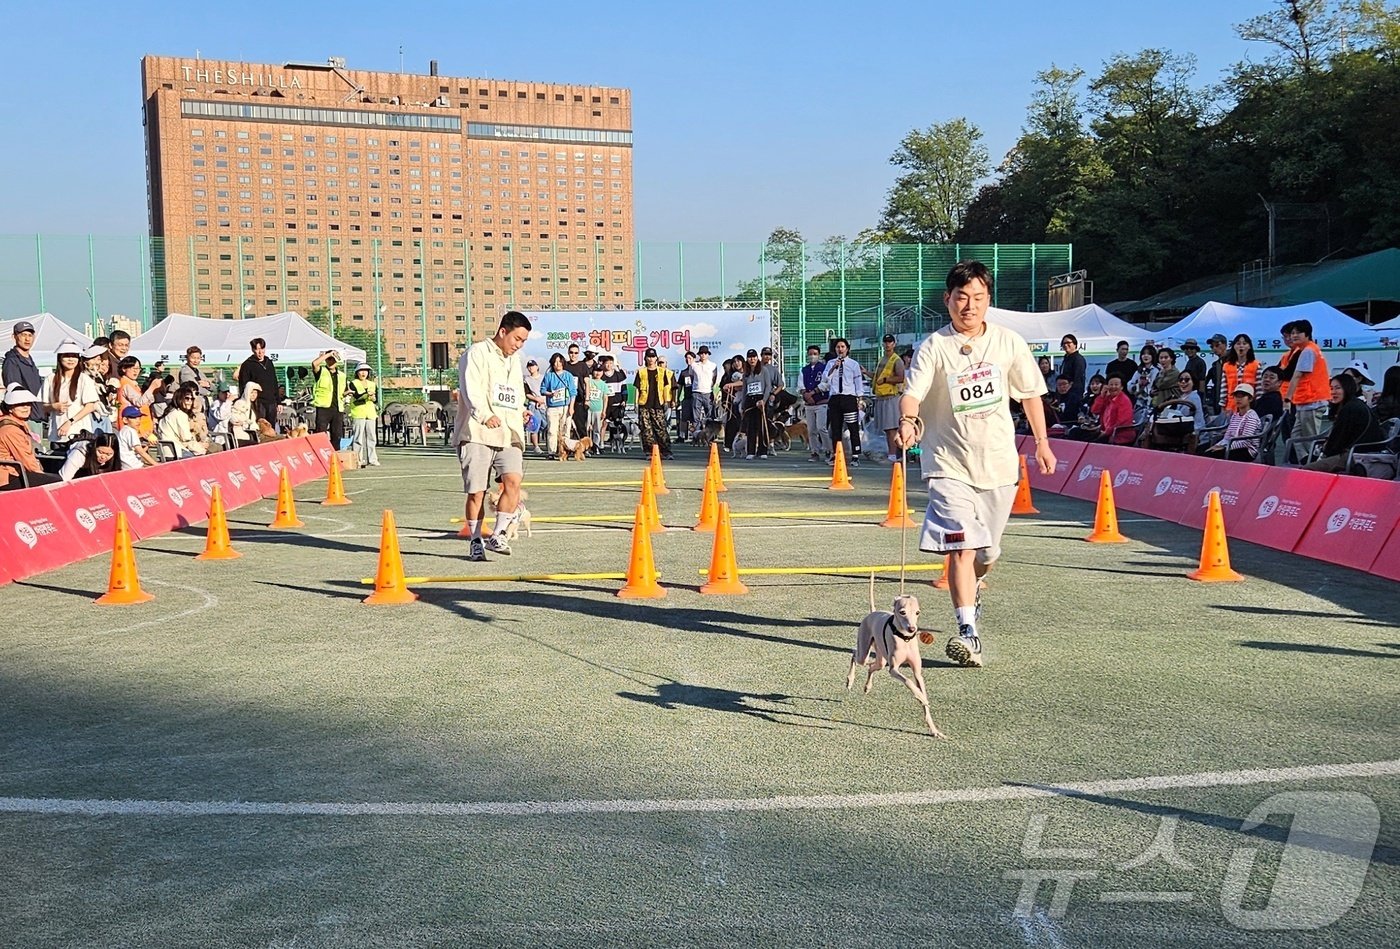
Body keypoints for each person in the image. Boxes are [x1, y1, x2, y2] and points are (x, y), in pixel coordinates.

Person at [897, 261, 1055, 669]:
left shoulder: (1008, 343)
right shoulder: (934, 346)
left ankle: (978, 585)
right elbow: (912, 394)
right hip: (948, 464)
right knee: (961, 548)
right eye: (961, 297)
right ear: (947, 299)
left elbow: (1031, 394)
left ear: (988, 300)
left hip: (998, 464)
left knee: (986, 552)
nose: (969, 306)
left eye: (978, 298)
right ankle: (968, 633)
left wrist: (1041, 443)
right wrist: (910, 422)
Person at [453, 310, 532, 561]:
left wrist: (522, 412)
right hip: (478, 431)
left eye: (523, 342)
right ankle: (476, 539)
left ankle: (498, 534)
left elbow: (516, 393)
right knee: (477, 491)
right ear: (503, 332)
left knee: (513, 481)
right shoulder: (477, 353)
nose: (518, 346)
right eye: (516, 339)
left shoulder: (514, 362)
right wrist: (484, 414)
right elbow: (470, 388)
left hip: (508, 432)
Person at [1304, 374, 1383, 473]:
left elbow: (1337, 441)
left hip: (1355, 456)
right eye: (1331, 388)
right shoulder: (1354, 404)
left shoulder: (1350, 409)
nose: (1333, 392)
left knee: (1306, 470)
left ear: (1347, 388)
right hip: (1359, 453)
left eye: (1337, 388)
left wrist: (1325, 451)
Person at [1276, 319, 1330, 450]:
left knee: (1310, 438)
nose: (1293, 336)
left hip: (1310, 400)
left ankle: (1314, 463)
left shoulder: (1308, 351)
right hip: (1305, 400)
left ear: (1307, 334)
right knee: (1296, 436)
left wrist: (1287, 399)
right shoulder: (1306, 350)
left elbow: (1296, 375)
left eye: (1298, 333)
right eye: (1292, 333)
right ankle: (1306, 460)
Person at [0, 385, 62, 489]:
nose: (25, 407)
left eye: (28, 404)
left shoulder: (19, 424)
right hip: (7, 477)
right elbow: (26, 460)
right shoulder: (11, 430)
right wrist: (41, 474)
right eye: (20, 404)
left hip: (14, 472)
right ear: (10, 408)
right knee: (57, 483)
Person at [47, 340, 101, 451]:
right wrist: (54, 406)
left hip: (79, 434)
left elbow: (90, 406)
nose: (71, 359)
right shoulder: (51, 378)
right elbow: (42, 405)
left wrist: (70, 421)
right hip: (57, 434)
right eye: (67, 356)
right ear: (60, 357)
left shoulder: (84, 379)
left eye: (74, 356)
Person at [821, 337, 865, 465]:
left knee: (852, 427)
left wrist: (860, 398)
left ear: (847, 349)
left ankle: (855, 455)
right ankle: (836, 455)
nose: (840, 349)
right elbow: (825, 378)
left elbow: (858, 382)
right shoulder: (830, 363)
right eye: (838, 347)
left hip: (849, 398)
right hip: (835, 398)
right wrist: (834, 367)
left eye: (842, 347)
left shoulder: (853, 364)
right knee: (835, 428)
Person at [632, 347, 675, 460]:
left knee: (661, 428)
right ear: (645, 358)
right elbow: (637, 388)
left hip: (658, 404)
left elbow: (666, 387)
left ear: (656, 358)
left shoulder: (662, 372)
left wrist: (667, 401)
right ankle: (649, 452)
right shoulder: (641, 372)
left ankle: (666, 452)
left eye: (653, 357)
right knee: (646, 430)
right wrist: (635, 403)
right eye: (649, 357)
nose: (651, 359)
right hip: (644, 404)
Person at [1203, 384, 1264, 462]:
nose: (1238, 399)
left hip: (1247, 451)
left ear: (1250, 399)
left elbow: (1245, 441)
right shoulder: (1235, 416)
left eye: (1242, 396)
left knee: (1210, 455)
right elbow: (1227, 437)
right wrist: (1217, 445)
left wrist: (1224, 447)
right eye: (1236, 396)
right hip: (1232, 446)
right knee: (1202, 449)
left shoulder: (1251, 416)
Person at [1068, 376, 1136, 444]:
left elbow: (1120, 423)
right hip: (1103, 431)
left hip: (1117, 434)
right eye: (1111, 384)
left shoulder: (1124, 401)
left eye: (1116, 384)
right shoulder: (1108, 398)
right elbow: (1094, 410)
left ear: (1121, 387)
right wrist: (1102, 396)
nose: (1113, 387)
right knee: (1074, 432)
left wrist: (1104, 433)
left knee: (1089, 442)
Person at [872, 333, 906, 463]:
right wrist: (866, 373)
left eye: (890, 342)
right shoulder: (882, 359)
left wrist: (887, 379)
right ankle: (893, 454)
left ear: (894, 344)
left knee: (891, 427)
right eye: (885, 342)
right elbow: (877, 378)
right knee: (887, 428)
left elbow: (901, 377)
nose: (887, 344)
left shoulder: (896, 360)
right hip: (881, 396)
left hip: (891, 397)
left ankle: (894, 455)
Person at [115, 356, 163, 443]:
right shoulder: (126, 384)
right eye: (133, 368)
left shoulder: (133, 384)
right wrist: (151, 388)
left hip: (140, 428)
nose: (136, 371)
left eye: (138, 368)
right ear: (124, 369)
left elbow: (145, 402)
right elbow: (139, 402)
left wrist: (154, 390)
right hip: (133, 428)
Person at [3, 322, 44, 423]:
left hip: (37, 416)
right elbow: (14, 391)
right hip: (25, 419)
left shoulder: (30, 360)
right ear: (14, 337)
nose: (27, 339)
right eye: (23, 335)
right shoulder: (12, 361)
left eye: (30, 335)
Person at [737, 349, 773, 459]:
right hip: (749, 399)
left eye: (754, 357)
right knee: (750, 427)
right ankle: (751, 451)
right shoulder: (746, 374)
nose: (752, 359)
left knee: (762, 426)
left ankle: (763, 451)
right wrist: (743, 405)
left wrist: (764, 400)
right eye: (749, 357)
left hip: (761, 399)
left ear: (757, 358)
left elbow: (768, 386)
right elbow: (744, 390)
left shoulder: (764, 370)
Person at [799, 343, 831, 462]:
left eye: (815, 354)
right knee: (811, 429)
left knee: (822, 427)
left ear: (819, 355)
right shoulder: (804, 370)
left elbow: (826, 384)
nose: (813, 356)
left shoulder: (824, 368)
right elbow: (800, 385)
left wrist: (812, 393)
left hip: (821, 402)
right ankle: (814, 451)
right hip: (809, 404)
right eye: (811, 354)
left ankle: (829, 450)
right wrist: (805, 394)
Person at [541, 353, 577, 459]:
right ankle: (551, 452)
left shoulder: (568, 375)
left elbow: (573, 392)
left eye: (560, 361)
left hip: (565, 406)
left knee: (565, 429)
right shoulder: (549, 376)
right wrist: (550, 394)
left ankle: (564, 451)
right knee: (552, 430)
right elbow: (542, 390)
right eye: (555, 362)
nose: (558, 364)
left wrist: (571, 407)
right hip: (552, 406)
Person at [309, 350, 347, 448]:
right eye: (329, 359)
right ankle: (320, 454)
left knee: (337, 434)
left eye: (333, 359)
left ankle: (335, 455)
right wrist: (328, 354)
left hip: (338, 408)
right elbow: (314, 364)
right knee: (320, 434)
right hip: (323, 407)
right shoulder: (321, 371)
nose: (331, 361)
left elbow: (344, 391)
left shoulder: (342, 375)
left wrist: (348, 393)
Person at [236, 338, 280, 422]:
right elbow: (243, 385)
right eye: (257, 349)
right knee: (260, 426)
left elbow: (274, 382)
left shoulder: (269, 362)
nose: (260, 352)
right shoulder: (247, 365)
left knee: (271, 428)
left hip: (271, 402)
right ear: (252, 350)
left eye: (262, 349)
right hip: (258, 403)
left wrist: (278, 402)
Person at [157, 387, 207, 458]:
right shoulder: (180, 414)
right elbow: (186, 438)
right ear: (179, 399)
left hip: (164, 452)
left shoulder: (169, 412)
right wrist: (201, 446)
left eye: (192, 399)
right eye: (187, 398)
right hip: (176, 452)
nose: (190, 401)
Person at [347, 363, 380, 467]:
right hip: (358, 412)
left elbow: (376, 399)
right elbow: (356, 396)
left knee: (372, 437)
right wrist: (367, 395)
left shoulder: (373, 384)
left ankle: (373, 459)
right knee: (358, 438)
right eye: (361, 370)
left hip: (370, 413)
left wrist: (374, 399)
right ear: (357, 372)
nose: (363, 373)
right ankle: (358, 460)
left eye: (365, 371)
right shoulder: (353, 383)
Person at [1220, 334, 1260, 413]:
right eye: (1238, 344)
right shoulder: (1227, 366)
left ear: (1249, 347)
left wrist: (1259, 406)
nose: (1241, 346)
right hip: (1231, 407)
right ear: (1234, 347)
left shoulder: (1256, 365)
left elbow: (1259, 389)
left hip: (1250, 406)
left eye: (1244, 344)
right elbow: (1224, 389)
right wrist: (1222, 406)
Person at [689, 345, 719, 441]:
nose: (703, 355)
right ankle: (696, 436)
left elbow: (714, 379)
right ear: (699, 355)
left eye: (705, 353)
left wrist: (710, 388)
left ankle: (710, 436)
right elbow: (692, 377)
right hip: (696, 392)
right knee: (695, 416)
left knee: (710, 416)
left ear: (708, 354)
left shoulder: (713, 365)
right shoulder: (694, 365)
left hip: (708, 392)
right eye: (701, 353)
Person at [178, 346, 213, 414]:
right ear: (187, 358)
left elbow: (213, 386)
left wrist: (208, 385)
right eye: (193, 358)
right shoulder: (185, 372)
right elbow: (195, 389)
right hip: (192, 406)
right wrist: (208, 392)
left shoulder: (198, 371)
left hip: (203, 405)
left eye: (198, 358)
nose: (196, 361)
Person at [1202, 333, 1230, 415]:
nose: (1214, 348)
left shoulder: (1233, 360)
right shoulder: (1216, 364)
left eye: (1217, 345)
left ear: (1225, 345)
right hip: (1219, 401)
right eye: (1212, 347)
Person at [585, 362, 609, 450]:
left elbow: (605, 398)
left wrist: (604, 411)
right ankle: (586, 446)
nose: (597, 373)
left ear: (602, 372)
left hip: (598, 410)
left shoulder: (603, 384)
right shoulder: (589, 381)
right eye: (596, 371)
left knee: (597, 429)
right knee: (587, 428)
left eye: (599, 371)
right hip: (588, 409)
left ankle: (596, 446)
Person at [1129, 344, 1158, 409]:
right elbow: (1130, 387)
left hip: (1154, 402)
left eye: (1148, 354)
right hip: (1139, 403)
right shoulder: (1138, 371)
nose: (1145, 356)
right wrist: (1138, 384)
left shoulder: (1157, 370)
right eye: (1143, 354)